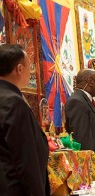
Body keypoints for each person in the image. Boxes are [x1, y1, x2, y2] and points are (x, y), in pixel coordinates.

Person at [0, 44, 50, 195]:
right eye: (30, 67)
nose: (31, 72)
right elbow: (26, 159)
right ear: (19, 69)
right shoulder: (14, 102)